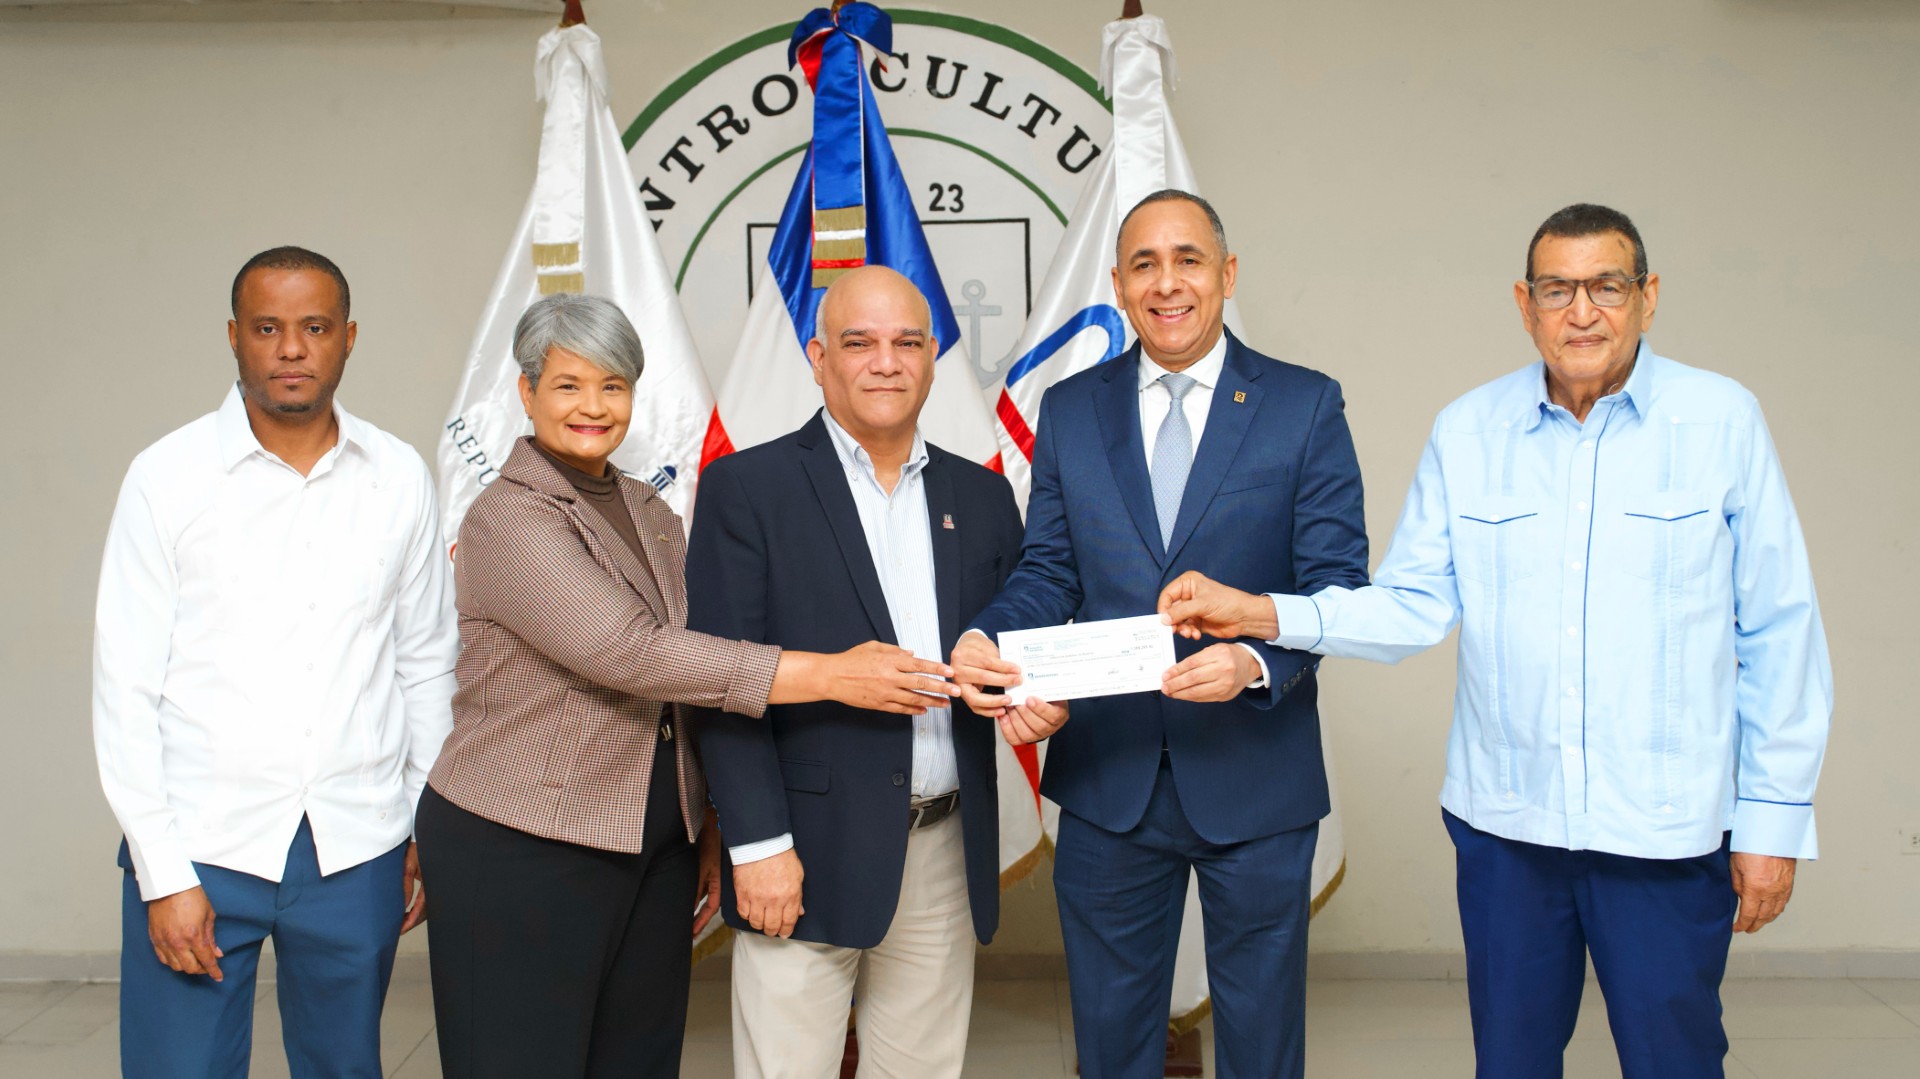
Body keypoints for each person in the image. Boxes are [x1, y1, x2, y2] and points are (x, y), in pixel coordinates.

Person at [1158, 203, 1832, 1079]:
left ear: (1648, 296)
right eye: (1557, 289)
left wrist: (1773, 820)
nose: (1581, 311)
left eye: (1606, 286)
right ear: (1525, 304)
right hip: (1510, 834)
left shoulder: (1722, 421)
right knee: (1510, 1063)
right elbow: (1411, 605)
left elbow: (1779, 629)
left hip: (1665, 834)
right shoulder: (1469, 430)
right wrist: (1260, 613)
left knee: (1676, 1061)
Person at [413, 291, 952, 1078]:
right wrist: (832, 674)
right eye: (568, 385)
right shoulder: (508, 517)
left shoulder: (647, 506)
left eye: (613, 385)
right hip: (522, 838)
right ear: (526, 392)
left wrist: (706, 819)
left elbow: (685, 682)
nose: (593, 406)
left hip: (651, 839)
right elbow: (635, 654)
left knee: (637, 1060)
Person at [951, 191, 1371, 1078]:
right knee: (1111, 1046)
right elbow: (1051, 571)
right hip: (1110, 781)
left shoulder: (1304, 404)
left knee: (1263, 1049)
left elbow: (1336, 586)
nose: (1167, 282)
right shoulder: (1072, 409)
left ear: (1227, 273)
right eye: (1144, 263)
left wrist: (1253, 658)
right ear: (1118, 284)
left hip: (1258, 778)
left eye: (1188, 259)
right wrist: (990, 636)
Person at [93, 246, 455, 1078]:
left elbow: (426, 662)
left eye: (315, 327)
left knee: (344, 1067)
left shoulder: (397, 475)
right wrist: (161, 872)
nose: (292, 348)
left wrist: (421, 821)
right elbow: (125, 688)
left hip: (355, 843)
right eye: (267, 328)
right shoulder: (166, 477)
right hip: (201, 843)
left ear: (349, 338)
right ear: (234, 337)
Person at [685, 266, 1035, 1079]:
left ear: (932, 358)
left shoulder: (984, 496)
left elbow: (1017, 644)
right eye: (859, 342)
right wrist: (758, 845)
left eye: (907, 342)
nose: (886, 361)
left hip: (943, 849)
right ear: (818, 359)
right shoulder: (749, 488)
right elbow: (719, 680)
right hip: (799, 852)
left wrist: (1036, 695)